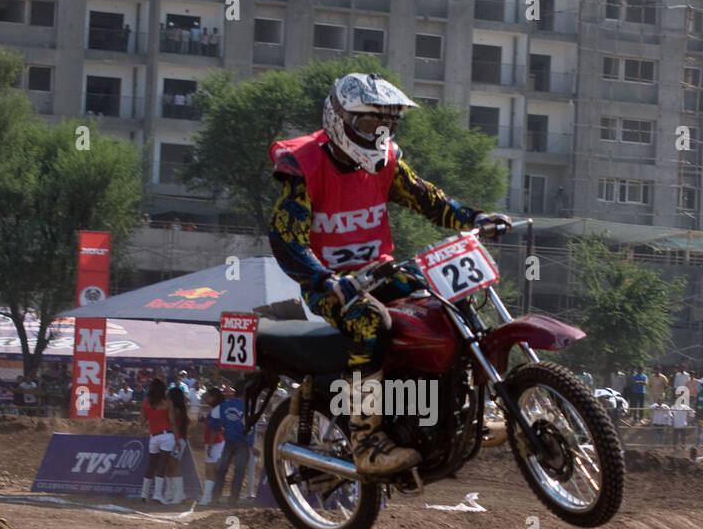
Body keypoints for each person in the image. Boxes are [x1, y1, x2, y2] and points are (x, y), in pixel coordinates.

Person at [268, 72, 511, 475]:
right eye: (368, 124)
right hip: (333, 285)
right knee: (370, 321)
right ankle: (366, 439)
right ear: (339, 119)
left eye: (386, 125)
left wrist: (475, 217)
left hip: (380, 272)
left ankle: (463, 408)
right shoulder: (305, 167)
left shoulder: (385, 163)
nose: (378, 134)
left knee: (449, 302)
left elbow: (427, 199)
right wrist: (324, 279)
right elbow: (286, 239)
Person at [202, 387, 253, 506]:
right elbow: (250, 427)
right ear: (245, 396)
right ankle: (233, 499)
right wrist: (250, 444)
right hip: (242, 442)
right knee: (239, 472)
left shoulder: (224, 405)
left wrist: (221, 429)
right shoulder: (247, 408)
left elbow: (212, 418)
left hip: (228, 441)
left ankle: (215, 498)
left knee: (221, 470)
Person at [140, 379, 176, 505]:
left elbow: (142, 421)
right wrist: (177, 438)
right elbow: (172, 422)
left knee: (151, 464)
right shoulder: (167, 403)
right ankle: (157, 495)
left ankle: (144, 494)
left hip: (153, 436)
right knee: (162, 465)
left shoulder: (146, 403)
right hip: (167, 435)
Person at [199, 387, 225, 504]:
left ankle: (208, 497)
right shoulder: (217, 409)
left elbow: (215, 429)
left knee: (210, 471)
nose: (207, 398)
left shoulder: (216, 410)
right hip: (215, 442)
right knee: (212, 471)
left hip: (214, 443)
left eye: (209, 396)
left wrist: (209, 446)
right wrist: (204, 420)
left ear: (214, 397)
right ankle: (212, 497)